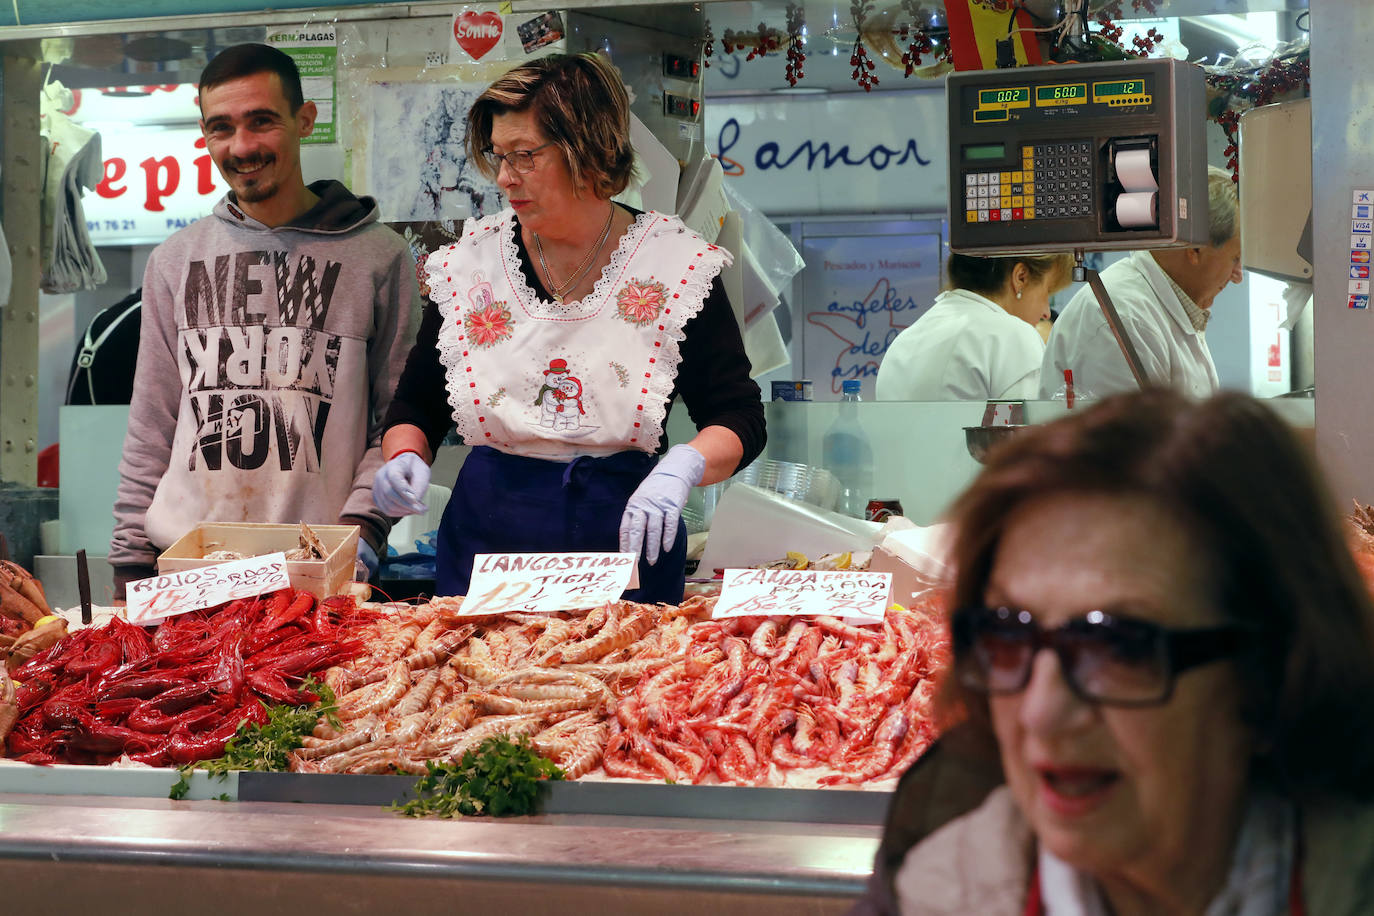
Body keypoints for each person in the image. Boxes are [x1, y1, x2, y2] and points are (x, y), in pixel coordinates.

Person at [850, 389, 1374, 914]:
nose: (1041, 713)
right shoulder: (936, 868)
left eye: (1118, 647)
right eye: (1006, 635)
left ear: (1271, 673)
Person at [373, 53, 765, 602]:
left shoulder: (674, 265)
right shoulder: (470, 266)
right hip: (489, 539)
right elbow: (416, 406)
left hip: (626, 532)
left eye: (526, 156)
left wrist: (685, 465)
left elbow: (738, 415)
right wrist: (406, 456)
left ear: (589, 150)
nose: (506, 177)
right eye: (498, 155)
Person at [108, 44, 422, 597]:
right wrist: (131, 560)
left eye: (261, 122)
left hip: (320, 569)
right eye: (221, 128)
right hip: (188, 567)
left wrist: (361, 533)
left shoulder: (379, 258)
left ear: (304, 120)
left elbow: (395, 416)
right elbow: (152, 424)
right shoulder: (175, 260)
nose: (242, 146)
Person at [1039, 166, 1242, 399]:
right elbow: (1132, 433)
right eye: (1235, 258)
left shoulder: (1162, 309)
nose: (1238, 276)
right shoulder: (1122, 317)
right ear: (1195, 248)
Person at [876, 253, 1072, 400]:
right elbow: (1028, 444)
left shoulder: (907, 338)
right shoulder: (1013, 335)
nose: (1047, 312)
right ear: (1020, 277)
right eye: (1048, 292)